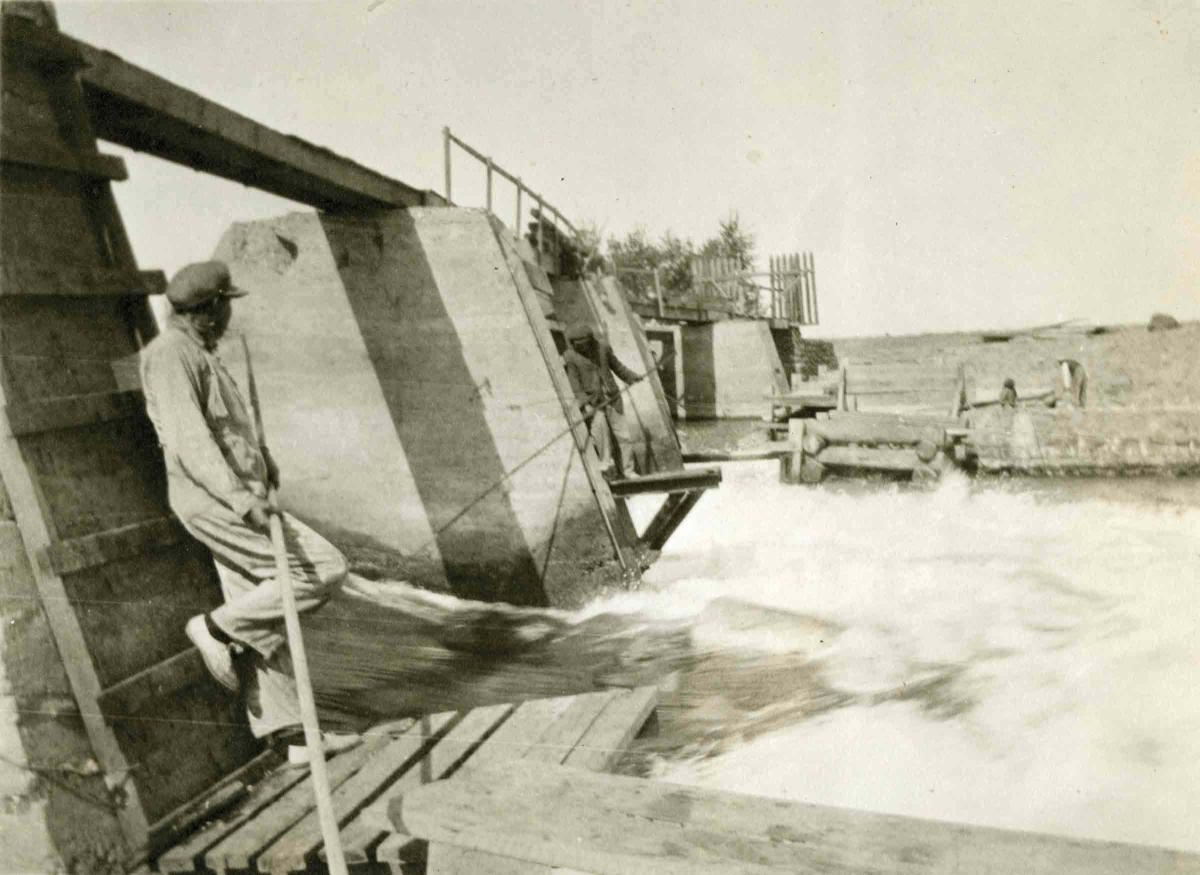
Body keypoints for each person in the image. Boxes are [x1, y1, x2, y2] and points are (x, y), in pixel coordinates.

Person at [140, 260, 356, 757]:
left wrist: (264, 461)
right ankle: (213, 628)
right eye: (226, 305)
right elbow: (190, 442)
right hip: (215, 502)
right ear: (209, 311)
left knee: (264, 610)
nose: (230, 316)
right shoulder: (171, 355)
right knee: (322, 568)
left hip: (236, 495)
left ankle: (294, 736)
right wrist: (242, 500)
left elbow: (227, 430)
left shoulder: (199, 352)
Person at [562, 323, 642, 479]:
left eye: (585, 345)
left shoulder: (603, 348)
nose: (582, 348)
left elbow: (618, 367)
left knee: (624, 436)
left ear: (590, 340)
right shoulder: (570, 357)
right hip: (593, 402)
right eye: (579, 346)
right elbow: (575, 383)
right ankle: (606, 467)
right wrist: (584, 402)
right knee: (600, 435)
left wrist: (632, 376)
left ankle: (628, 470)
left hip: (612, 398)